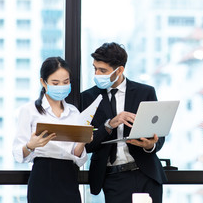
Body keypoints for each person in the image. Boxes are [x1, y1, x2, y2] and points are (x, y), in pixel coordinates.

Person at [80, 42, 166, 203]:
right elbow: (87, 145)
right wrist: (109, 124)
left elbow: (158, 138)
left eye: (103, 70)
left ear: (119, 70)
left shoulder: (145, 92)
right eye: (95, 69)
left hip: (146, 174)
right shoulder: (88, 98)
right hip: (113, 177)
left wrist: (149, 145)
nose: (97, 74)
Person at [12, 56, 88, 203]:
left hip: (69, 177)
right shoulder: (29, 111)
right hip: (42, 176)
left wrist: (83, 140)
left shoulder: (74, 112)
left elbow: (77, 157)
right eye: (55, 82)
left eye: (66, 82)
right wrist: (30, 146)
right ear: (43, 82)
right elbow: (17, 153)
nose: (61, 86)